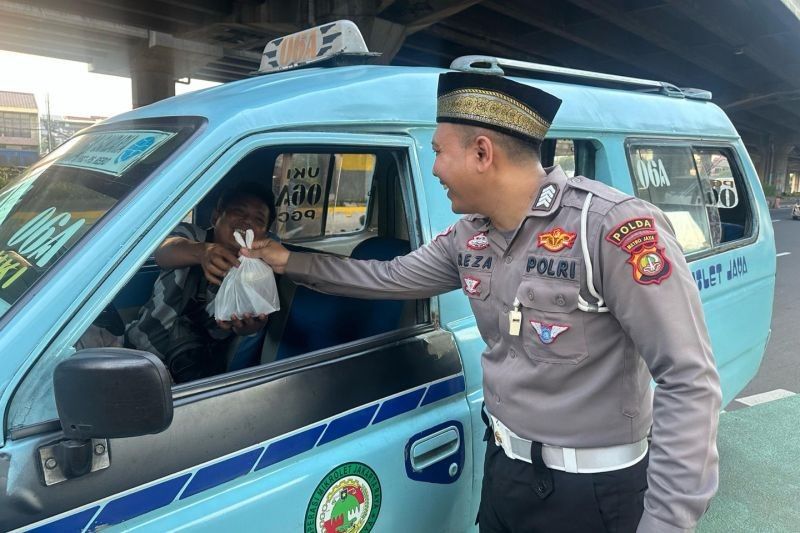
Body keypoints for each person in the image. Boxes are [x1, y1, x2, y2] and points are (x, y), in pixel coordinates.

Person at [244, 73, 721, 532]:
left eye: (437, 152)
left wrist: (667, 522)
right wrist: (286, 260)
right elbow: (386, 277)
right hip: (505, 475)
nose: (432, 168)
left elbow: (688, 379)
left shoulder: (607, 229)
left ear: (481, 152)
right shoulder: (469, 238)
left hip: (594, 494)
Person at [125, 181, 277, 383]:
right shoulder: (190, 236)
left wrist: (247, 329)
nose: (247, 221)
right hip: (135, 348)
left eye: (258, 220)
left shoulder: (257, 275)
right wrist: (203, 252)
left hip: (184, 373)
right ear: (216, 217)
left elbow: (238, 327)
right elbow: (164, 252)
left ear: (264, 234)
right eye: (238, 212)